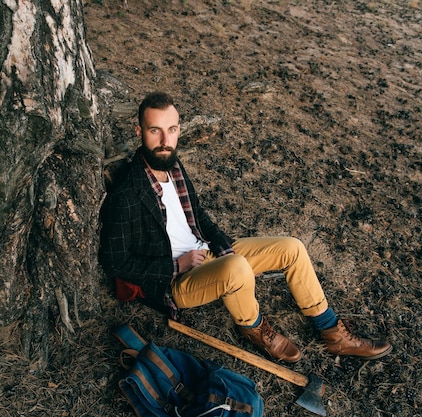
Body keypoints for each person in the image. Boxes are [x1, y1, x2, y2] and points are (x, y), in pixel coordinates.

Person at [99, 92, 392, 363]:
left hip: (208, 253)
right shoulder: (126, 194)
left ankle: (332, 333)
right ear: (139, 132)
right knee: (238, 268)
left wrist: (224, 249)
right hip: (177, 280)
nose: (165, 140)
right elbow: (115, 262)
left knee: (292, 248)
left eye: (172, 129)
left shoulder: (174, 168)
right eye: (155, 131)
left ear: (179, 129)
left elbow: (198, 216)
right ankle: (254, 328)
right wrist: (176, 265)